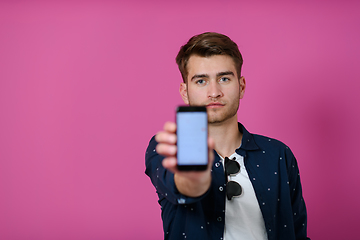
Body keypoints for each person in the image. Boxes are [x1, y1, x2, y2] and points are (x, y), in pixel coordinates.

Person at [145, 32, 310, 240]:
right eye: (201, 81)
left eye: (224, 78)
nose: (214, 92)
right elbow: (182, 186)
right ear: (185, 92)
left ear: (241, 86)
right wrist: (194, 177)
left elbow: (297, 233)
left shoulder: (279, 155)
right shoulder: (169, 147)